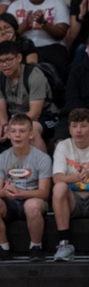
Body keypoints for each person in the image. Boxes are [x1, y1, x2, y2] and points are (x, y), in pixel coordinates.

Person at [0, 41, 56, 176]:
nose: (4, 65)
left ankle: (45, 177)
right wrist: (4, 124)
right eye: (0, 61)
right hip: (13, 117)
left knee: (31, 129)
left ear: (19, 58)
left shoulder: (34, 75)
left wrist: (11, 127)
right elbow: (0, 109)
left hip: (44, 116)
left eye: (8, 60)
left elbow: (35, 112)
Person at [0, 114, 52, 261]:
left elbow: (44, 193)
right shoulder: (1, 158)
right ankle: (3, 248)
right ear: (8, 134)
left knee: (32, 205)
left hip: (32, 199)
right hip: (9, 201)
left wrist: (20, 193)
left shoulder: (42, 158)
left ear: (31, 134)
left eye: (22, 131)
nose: (17, 135)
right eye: (13, 131)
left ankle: (35, 247)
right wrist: (6, 191)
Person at [7, 0, 70, 79]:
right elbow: (9, 35)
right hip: (23, 47)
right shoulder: (16, 5)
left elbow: (61, 33)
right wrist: (26, 23)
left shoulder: (57, 3)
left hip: (52, 46)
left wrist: (43, 23)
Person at [51, 108, 89, 262]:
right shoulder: (63, 146)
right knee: (59, 187)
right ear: (69, 128)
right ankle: (64, 243)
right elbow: (57, 177)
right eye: (74, 126)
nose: (78, 130)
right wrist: (76, 177)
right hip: (73, 200)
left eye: (83, 126)